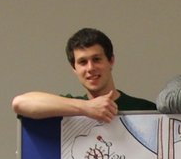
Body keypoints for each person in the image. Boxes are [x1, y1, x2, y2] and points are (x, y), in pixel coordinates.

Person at [11, 27, 156, 120]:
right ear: (74, 68)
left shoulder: (145, 109)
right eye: (82, 62)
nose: (90, 68)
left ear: (111, 61)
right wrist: (86, 108)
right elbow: (20, 103)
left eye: (97, 59)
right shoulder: (67, 107)